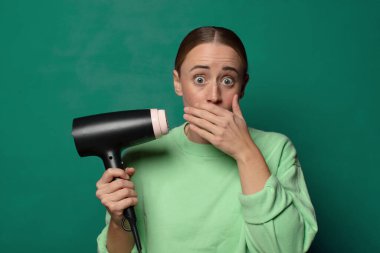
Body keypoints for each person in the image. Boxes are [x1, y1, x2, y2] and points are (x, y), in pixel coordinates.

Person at [96, 26, 318, 253]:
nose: (213, 96)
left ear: (243, 87)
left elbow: (286, 249)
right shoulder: (141, 156)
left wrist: (245, 152)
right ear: (178, 82)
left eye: (228, 81)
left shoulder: (277, 150)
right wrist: (117, 220)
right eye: (200, 79)